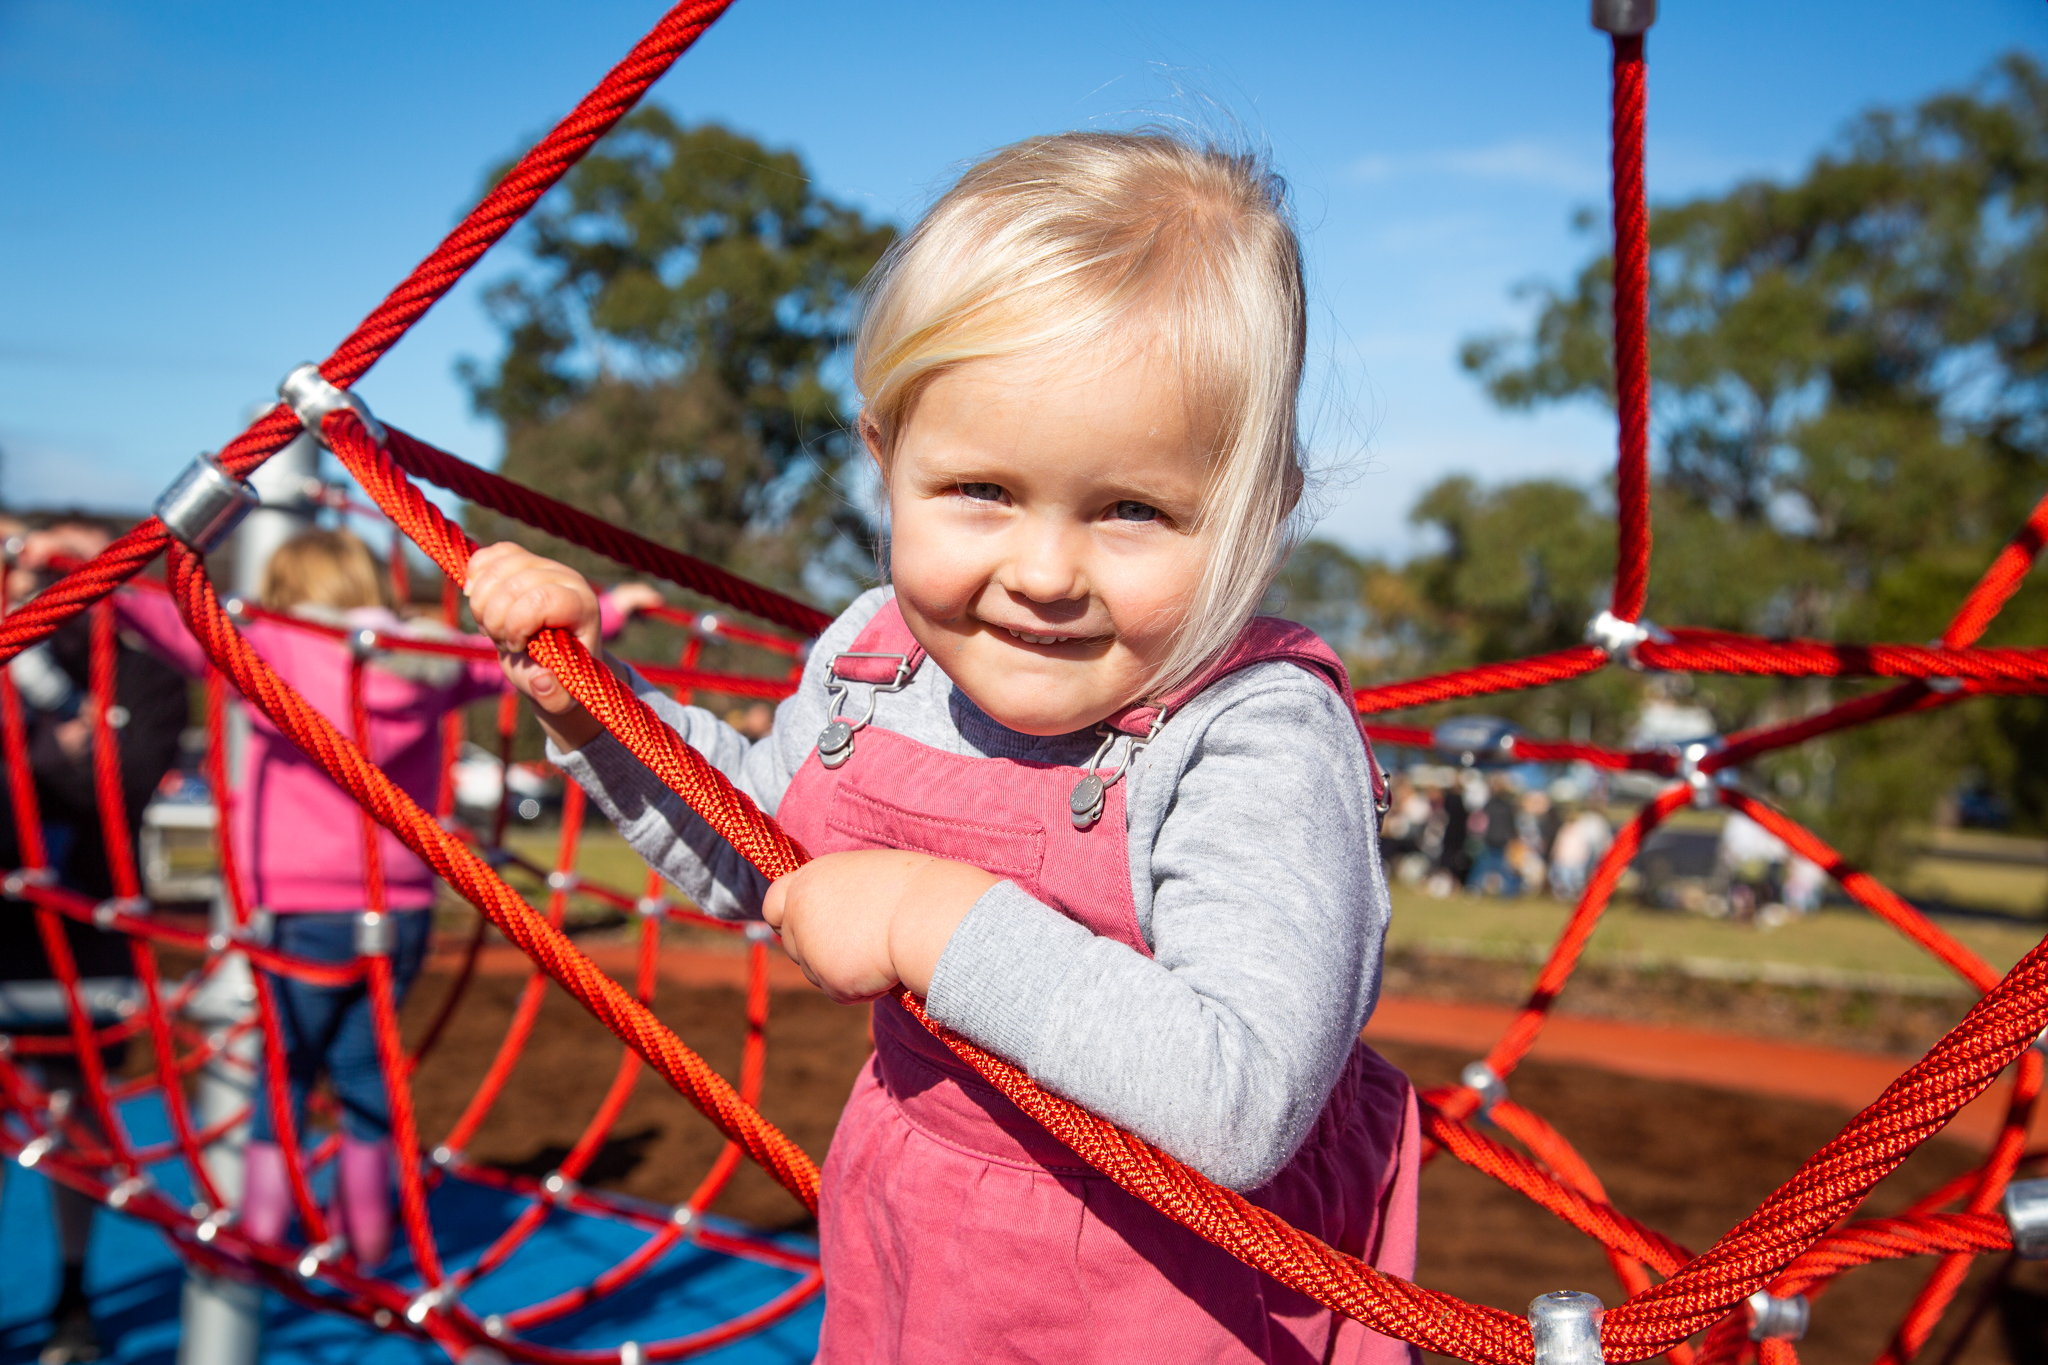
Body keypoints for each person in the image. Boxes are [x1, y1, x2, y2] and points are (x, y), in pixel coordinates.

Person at [467, 131, 1420, 1364]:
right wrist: (591, 705)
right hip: (921, 1252)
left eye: (1132, 510)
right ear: (884, 463)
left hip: (1174, 1302)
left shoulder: (1248, 733)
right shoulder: (878, 658)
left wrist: (931, 917)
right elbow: (762, 847)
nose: (1040, 574)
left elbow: (1238, 1097)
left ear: (1259, 513)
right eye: (978, 490)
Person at [112, 527, 656, 1267]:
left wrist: (98, 576)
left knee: (286, 1069)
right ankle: (367, 1236)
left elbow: (173, 623)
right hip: (394, 901)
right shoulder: (427, 656)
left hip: (292, 902)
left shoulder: (269, 643)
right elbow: (516, 663)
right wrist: (613, 609)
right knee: (367, 1070)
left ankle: (265, 1231)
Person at [1, 520, 189, 1365]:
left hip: (84, 929)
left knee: (77, 1116)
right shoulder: (15, 658)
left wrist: (51, 747)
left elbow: (118, 781)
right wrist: (55, 740)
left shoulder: (143, 673)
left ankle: (73, 1290)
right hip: (6, 920)